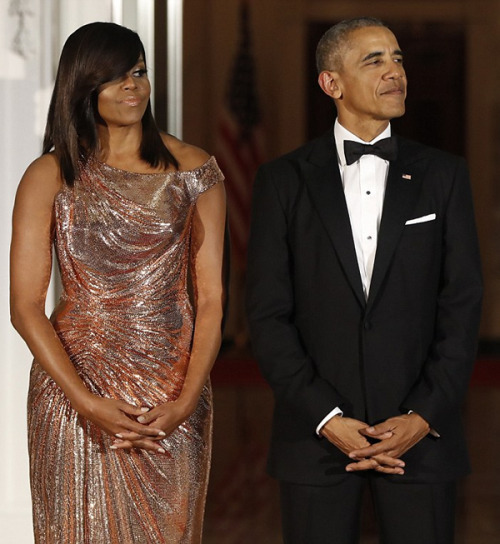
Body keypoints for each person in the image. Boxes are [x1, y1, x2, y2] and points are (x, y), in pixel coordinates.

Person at [246, 16, 482, 544]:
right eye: (373, 60)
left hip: (422, 441)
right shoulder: (282, 181)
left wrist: (422, 415)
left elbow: (463, 303)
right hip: (316, 443)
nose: (394, 71)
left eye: (397, 58)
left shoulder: (444, 175)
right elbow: (267, 313)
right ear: (331, 83)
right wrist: (327, 417)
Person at [10, 22, 226, 544]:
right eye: (115, 77)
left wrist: (186, 400)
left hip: (171, 394)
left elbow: (214, 300)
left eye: (139, 72)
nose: (132, 86)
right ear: (82, 86)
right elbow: (25, 307)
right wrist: (87, 402)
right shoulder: (50, 175)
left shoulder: (194, 170)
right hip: (75, 393)